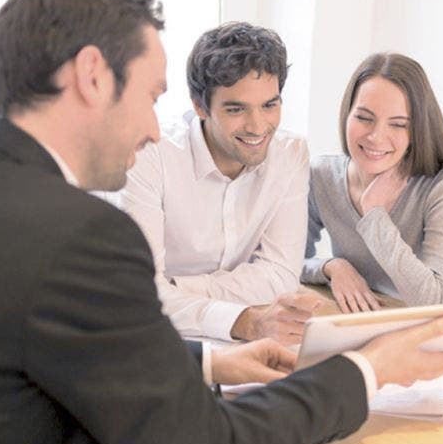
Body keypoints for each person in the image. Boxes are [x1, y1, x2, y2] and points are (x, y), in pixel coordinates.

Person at [0, 0, 443, 444]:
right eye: (151, 96)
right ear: (93, 77)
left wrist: (208, 359)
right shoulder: (78, 235)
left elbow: (41, 345)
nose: (155, 127)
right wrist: (367, 369)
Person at [122, 22, 313, 344]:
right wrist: (243, 321)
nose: (257, 126)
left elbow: (281, 276)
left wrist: (178, 288)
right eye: (236, 109)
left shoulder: (290, 154)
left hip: (238, 335)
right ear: (199, 106)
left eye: (270, 104)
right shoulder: (148, 155)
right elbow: (141, 293)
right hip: (147, 333)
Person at [301, 53, 443, 313]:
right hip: (349, 322)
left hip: (414, 332)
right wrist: (332, 267)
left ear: (416, 131)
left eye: (397, 124)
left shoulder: (440, 190)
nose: (376, 136)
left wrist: (374, 216)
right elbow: (285, 264)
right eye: (364, 118)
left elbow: (436, 301)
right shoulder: (321, 175)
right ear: (347, 114)